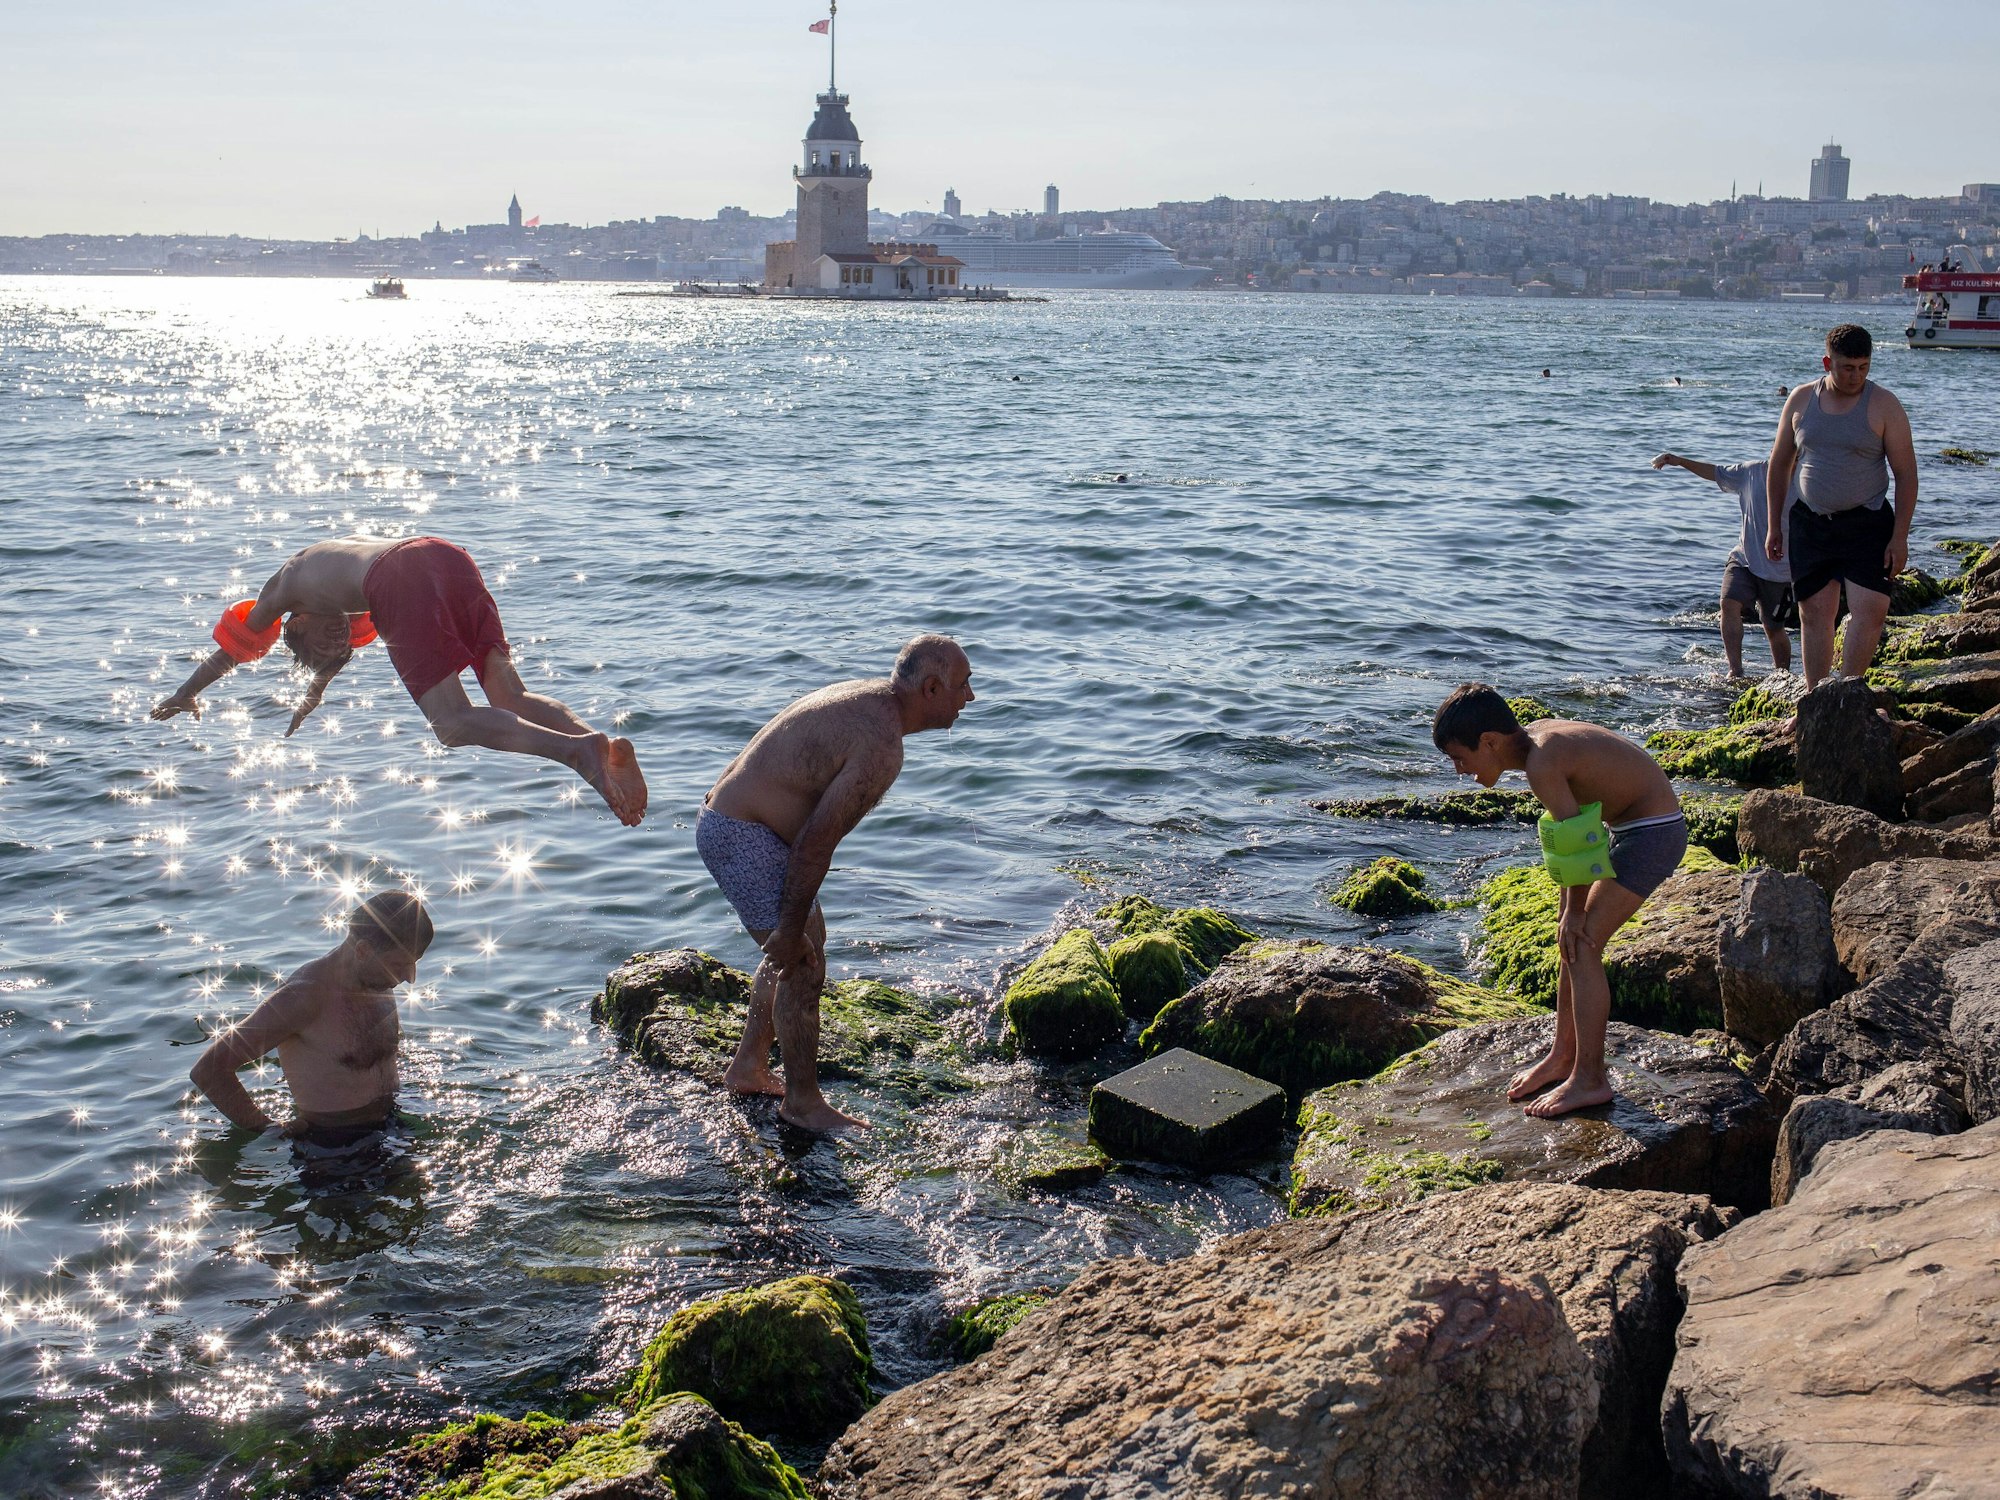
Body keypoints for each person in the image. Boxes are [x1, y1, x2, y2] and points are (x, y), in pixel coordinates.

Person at [150, 536, 646, 825]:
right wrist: (312, 696)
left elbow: (235, 648)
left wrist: (185, 692)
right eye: (339, 645)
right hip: (446, 555)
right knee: (507, 694)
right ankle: (593, 741)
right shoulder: (322, 581)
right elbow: (329, 658)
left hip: (401, 575)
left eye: (329, 641)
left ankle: (575, 752)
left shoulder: (279, 591)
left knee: (452, 723)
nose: (343, 641)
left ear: (294, 624)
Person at [697, 635, 975, 1133]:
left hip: (736, 820)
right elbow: (815, 843)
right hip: (743, 834)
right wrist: (787, 927)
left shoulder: (870, 701)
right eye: (963, 686)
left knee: (802, 940)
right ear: (931, 688)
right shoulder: (881, 747)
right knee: (802, 960)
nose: (969, 698)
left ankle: (747, 1067)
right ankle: (802, 1104)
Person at [1433, 685, 1684, 1119]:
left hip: (1653, 833)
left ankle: (1591, 1079)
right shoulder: (1537, 742)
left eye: (1460, 757)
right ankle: (1563, 1055)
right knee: (1570, 941)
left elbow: (1579, 843)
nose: (1459, 770)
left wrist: (1574, 910)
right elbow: (1574, 836)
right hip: (1631, 830)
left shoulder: (1541, 762)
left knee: (1581, 940)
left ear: (1490, 742)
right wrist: (1570, 908)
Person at [190, 891, 433, 1140]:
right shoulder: (303, 998)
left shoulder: (377, 982)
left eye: (413, 963)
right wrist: (267, 1128)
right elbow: (209, 1070)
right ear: (362, 951)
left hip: (394, 1120)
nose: (410, 978)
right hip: (332, 1147)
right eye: (399, 965)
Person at [1764, 325, 1918, 688]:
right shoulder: (1801, 400)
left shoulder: (1884, 405)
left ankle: (1849, 693)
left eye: (1864, 367)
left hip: (1867, 522)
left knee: (1872, 610)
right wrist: (1774, 525)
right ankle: (1816, 698)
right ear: (1827, 362)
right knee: (1815, 614)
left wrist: (1900, 538)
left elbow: (1906, 474)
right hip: (1811, 522)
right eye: (1848, 367)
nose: (1856, 376)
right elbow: (1779, 463)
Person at [1651, 447, 1794, 676]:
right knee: (1728, 604)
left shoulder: (1808, 482)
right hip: (1743, 558)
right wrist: (1678, 461)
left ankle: (1782, 677)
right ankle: (1735, 671)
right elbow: (1715, 472)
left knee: (1774, 628)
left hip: (1781, 570)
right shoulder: (1753, 471)